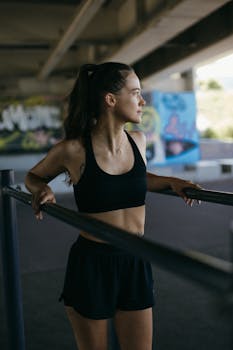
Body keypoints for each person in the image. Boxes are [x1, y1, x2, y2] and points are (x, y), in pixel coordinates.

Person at [25, 62, 201, 350]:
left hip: (135, 258)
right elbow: (33, 176)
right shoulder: (73, 149)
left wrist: (172, 181)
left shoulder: (139, 141)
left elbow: (136, 178)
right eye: (136, 93)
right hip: (92, 264)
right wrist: (41, 188)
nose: (143, 101)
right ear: (110, 99)